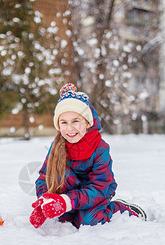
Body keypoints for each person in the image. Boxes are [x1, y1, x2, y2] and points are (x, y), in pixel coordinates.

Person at [30, 83, 146, 229]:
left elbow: (99, 187)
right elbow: (44, 177)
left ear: (87, 122)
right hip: (70, 195)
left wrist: (67, 201)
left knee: (87, 221)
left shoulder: (99, 148)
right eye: (64, 122)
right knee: (65, 217)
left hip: (96, 194)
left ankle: (119, 209)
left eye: (76, 121)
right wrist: (45, 199)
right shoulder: (57, 146)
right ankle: (71, 211)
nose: (70, 128)